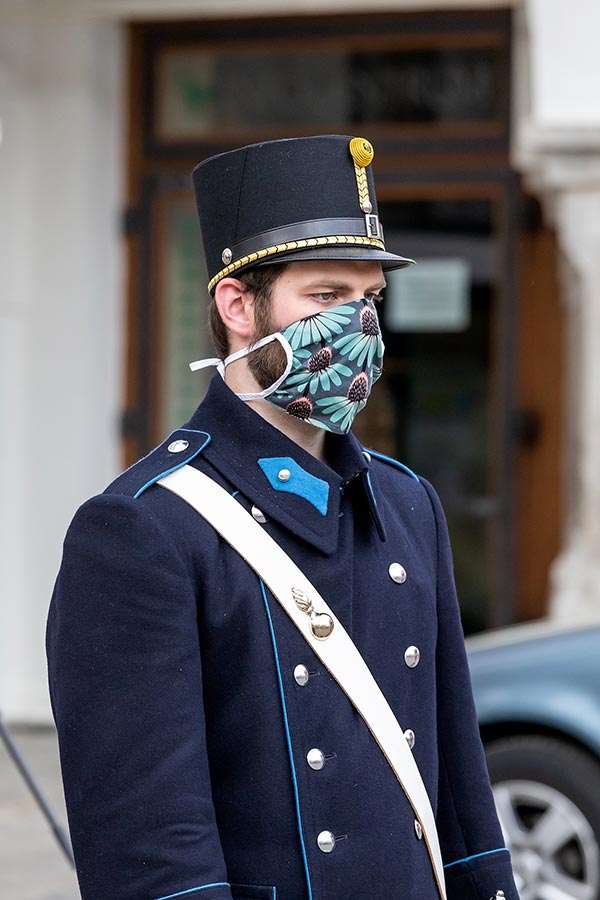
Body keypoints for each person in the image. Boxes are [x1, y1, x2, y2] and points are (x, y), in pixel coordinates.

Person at [46, 135, 519, 900]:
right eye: (327, 297)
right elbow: (156, 856)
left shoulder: (407, 504)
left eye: (369, 300)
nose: (358, 328)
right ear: (238, 305)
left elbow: (461, 801)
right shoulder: (143, 529)